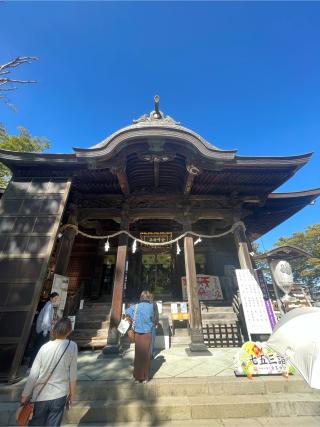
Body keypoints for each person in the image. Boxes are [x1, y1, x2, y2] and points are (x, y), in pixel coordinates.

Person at [20, 317, 78, 427]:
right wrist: (72, 395)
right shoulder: (72, 346)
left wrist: (25, 396)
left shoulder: (44, 347)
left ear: (55, 329)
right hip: (59, 394)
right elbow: (73, 375)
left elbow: (33, 375)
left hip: (40, 395)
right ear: (69, 331)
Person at [126, 290, 154, 383]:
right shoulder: (151, 307)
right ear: (149, 297)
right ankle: (146, 377)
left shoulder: (136, 306)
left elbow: (127, 311)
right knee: (146, 355)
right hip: (147, 333)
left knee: (138, 355)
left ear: (141, 297)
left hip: (138, 332)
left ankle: (137, 377)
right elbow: (152, 318)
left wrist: (133, 317)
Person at [29, 292, 60, 367]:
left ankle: (35, 365)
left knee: (40, 348)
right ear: (51, 298)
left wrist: (53, 321)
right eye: (55, 298)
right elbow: (45, 320)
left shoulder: (50, 306)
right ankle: (32, 366)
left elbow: (49, 319)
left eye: (57, 298)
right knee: (39, 348)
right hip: (43, 331)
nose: (56, 300)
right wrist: (45, 332)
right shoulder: (48, 306)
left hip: (44, 330)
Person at [150, 293, 159, 359]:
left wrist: (156, 323)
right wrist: (156, 323)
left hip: (148, 324)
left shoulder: (153, 304)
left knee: (150, 339)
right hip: (152, 324)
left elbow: (156, 314)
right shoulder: (154, 304)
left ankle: (150, 353)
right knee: (152, 339)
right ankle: (151, 354)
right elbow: (156, 314)